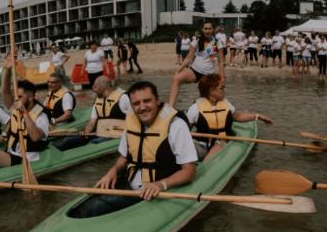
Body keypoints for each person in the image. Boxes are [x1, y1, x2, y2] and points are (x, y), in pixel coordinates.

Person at [70, 81, 198, 218]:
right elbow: (123, 158)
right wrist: (112, 171)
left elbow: (189, 170)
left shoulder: (176, 126)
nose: (142, 107)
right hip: (129, 186)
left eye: (147, 101)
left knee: (94, 208)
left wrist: (161, 184)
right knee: (86, 208)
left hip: (155, 191)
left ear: (158, 101)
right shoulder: (131, 122)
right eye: (136, 103)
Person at [185, 74, 272, 159]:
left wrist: (258, 116)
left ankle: (204, 167)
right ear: (211, 91)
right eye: (221, 88)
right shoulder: (195, 108)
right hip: (201, 145)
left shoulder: (226, 104)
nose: (224, 91)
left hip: (222, 142)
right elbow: (186, 129)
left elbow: (238, 116)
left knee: (219, 145)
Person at [54, 75, 130, 151]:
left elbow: (135, 118)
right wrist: (85, 133)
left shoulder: (123, 98)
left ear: (103, 87)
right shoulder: (99, 100)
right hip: (99, 132)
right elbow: (92, 122)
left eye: (95, 86)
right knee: (68, 140)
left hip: (116, 135)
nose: (94, 89)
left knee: (93, 143)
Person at [168, 21, 223, 109]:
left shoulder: (217, 42)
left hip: (209, 75)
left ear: (212, 30)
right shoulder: (197, 41)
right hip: (195, 71)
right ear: (202, 29)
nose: (207, 31)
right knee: (176, 78)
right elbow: (189, 58)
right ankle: (171, 108)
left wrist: (221, 76)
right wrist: (178, 70)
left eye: (209, 28)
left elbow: (221, 61)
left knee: (214, 99)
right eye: (205, 28)